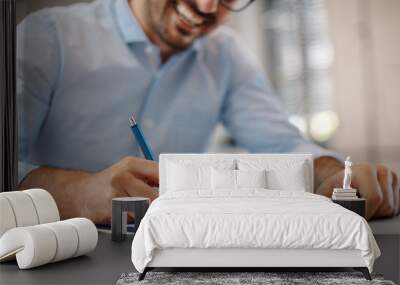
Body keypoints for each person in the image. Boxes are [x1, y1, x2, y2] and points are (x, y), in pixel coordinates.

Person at [17, 0, 399, 223]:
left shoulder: (226, 54)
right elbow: (6, 167)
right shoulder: (47, 38)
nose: (206, 8)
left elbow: (282, 144)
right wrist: (82, 193)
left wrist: (332, 174)